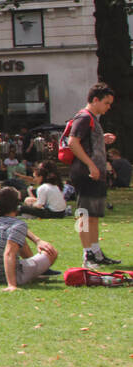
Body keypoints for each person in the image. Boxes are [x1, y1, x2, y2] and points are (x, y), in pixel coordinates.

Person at [66, 82, 120, 266]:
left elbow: (87, 143)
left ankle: (96, 252)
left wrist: (102, 140)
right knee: (85, 215)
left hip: (96, 174)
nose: (108, 107)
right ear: (95, 100)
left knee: (94, 215)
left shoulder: (93, 119)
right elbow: (73, 142)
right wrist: (91, 166)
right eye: (106, 103)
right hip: (86, 174)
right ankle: (87, 254)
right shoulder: (83, 117)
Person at [0, 187, 59, 291]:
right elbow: (9, 253)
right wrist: (11, 285)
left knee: (18, 239)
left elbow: (19, 230)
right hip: (3, 276)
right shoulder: (17, 225)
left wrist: (37, 241)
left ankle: (36, 271)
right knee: (51, 252)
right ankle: (35, 273)